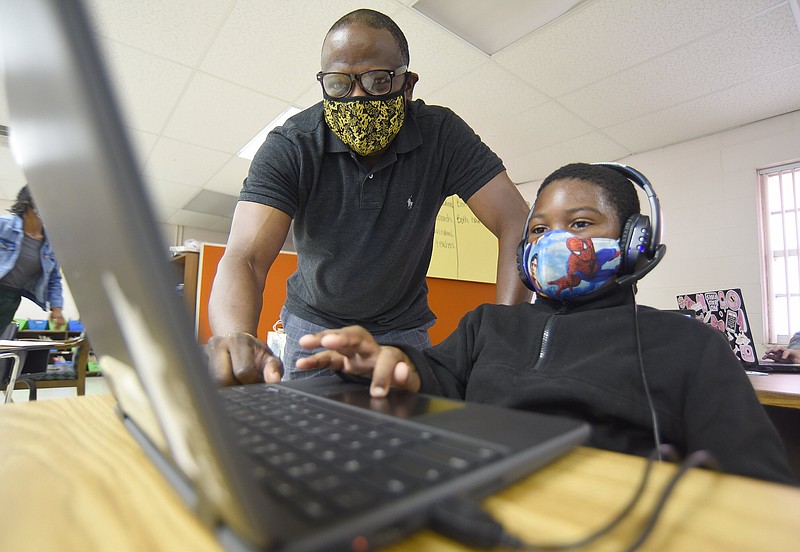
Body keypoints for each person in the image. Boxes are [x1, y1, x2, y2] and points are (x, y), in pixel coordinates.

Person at [296, 162, 796, 485]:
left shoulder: (687, 343)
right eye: (539, 229)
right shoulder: (487, 325)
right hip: (477, 501)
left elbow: (759, 488)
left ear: (633, 242)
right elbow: (433, 375)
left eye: (580, 224)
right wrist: (393, 359)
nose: (555, 240)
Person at [207, 8, 531, 384]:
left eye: (378, 82)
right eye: (339, 84)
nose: (357, 97)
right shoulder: (293, 146)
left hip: (402, 332)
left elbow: (515, 220)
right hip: (313, 328)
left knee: (406, 434)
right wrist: (235, 338)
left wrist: (502, 332)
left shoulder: (442, 136)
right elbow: (245, 256)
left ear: (407, 85)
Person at [0, 185, 65, 331]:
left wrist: (57, 309)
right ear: (28, 204)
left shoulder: (50, 244)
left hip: (11, 298)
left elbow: (54, 279)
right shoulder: (4, 225)